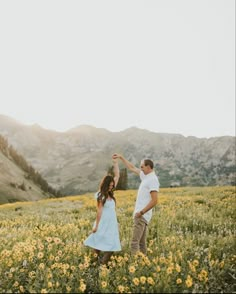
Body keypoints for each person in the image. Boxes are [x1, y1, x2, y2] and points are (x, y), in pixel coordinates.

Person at [112, 153, 159, 255]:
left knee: (134, 243)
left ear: (148, 167)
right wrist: (121, 157)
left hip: (141, 215)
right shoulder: (146, 176)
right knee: (142, 244)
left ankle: (134, 266)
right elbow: (132, 167)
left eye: (142, 167)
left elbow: (155, 200)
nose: (140, 169)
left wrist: (141, 212)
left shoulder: (152, 180)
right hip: (142, 215)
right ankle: (143, 263)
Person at [84, 157, 121, 265]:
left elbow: (117, 175)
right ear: (105, 185)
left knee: (112, 245)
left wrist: (115, 163)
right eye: (109, 186)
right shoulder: (101, 195)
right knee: (98, 245)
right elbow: (99, 211)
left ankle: (102, 265)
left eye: (112, 186)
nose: (111, 187)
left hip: (112, 223)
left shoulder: (110, 193)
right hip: (103, 222)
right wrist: (96, 226)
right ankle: (93, 264)